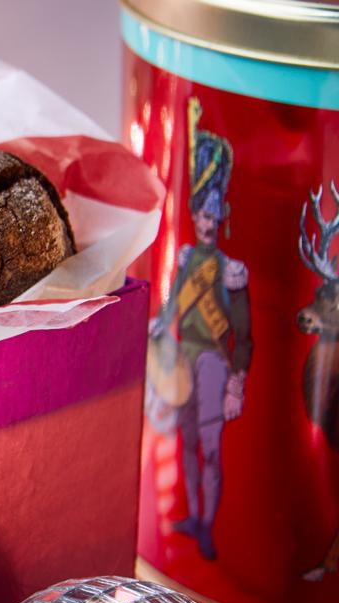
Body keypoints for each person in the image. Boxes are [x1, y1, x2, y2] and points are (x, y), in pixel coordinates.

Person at [148, 98, 252, 562]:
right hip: (183, 358)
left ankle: (209, 525)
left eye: (214, 218)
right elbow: (171, 305)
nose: (208, 224)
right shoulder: (187, 259)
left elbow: (244, 336)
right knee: (186, 442)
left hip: (212, 361)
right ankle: (192, 515)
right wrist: (158, 324)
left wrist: (237, 383)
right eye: (203, 216)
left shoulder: (233, 271)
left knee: (210, 448)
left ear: (221, 218)